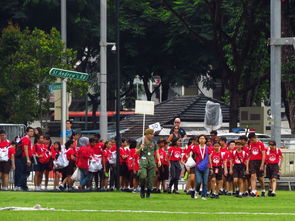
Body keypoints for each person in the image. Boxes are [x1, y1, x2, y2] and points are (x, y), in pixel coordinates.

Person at [136, 128, 161, 198]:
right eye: (151, 134)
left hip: (151, 161)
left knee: (151, 179)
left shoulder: (154, 142)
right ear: (147, 134)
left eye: (153, 134)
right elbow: (136, 152)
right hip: (143, 161)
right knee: (143, 176)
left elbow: (157, 152)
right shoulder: (142, 142)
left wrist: (159, 160)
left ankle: (148, 193)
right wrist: (141, 148)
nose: (152, 136)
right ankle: (142, 190)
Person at [191, 135, 210, 200]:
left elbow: (209, 157)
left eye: (203, 138)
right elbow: (192, 155)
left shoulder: (208, 148)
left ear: (205, 140)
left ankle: (203, 195)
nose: (202, 140)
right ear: (198, 140)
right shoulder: (196, 148)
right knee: (198, 181)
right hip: (198, 166)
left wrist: (211, 167)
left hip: (206, 166)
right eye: (200, 138)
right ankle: (196, 192)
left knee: (205, 182)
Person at [15, 127, 34, 191]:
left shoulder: (26, 139)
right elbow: (25, 149)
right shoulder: (26, 139)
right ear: (27, 132)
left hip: (24, 157)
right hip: (25, 157)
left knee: (24, 172)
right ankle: (19, 185)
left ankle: (24, 186)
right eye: (30, 131)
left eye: (32, 131)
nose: (32, 132)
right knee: (26, 172)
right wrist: (28, 159)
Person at [247, 132, 266, 197]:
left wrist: (262, 165)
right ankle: (253, 191)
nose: (252, 141)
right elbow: (249, 154)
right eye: (251, 140)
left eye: (253, 140)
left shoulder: (260, 144)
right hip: (252, 161)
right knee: (253, 176)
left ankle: (263, 189)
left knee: (260, 178)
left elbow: (263, 154)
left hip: (259, 161)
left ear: (255, 138)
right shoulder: (250, 144)